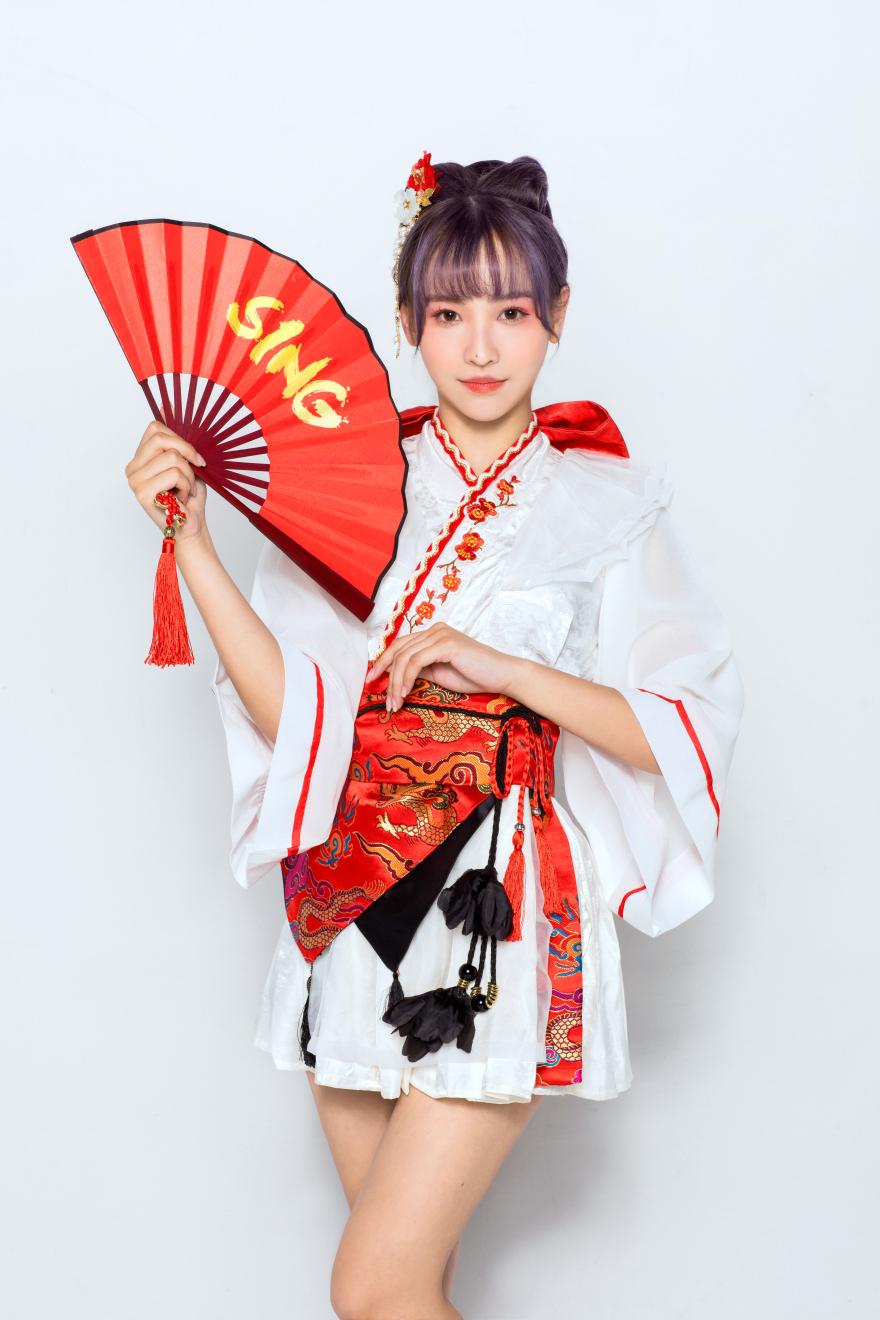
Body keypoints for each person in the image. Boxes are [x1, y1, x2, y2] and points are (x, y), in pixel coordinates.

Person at [123, 154, 744, 1320]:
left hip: (486, 914)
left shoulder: (608, 505)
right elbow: (294, 718)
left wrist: (512, 671)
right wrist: (193, 542)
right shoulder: (347, 486)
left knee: (371, 1288)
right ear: (408, 322)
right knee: (405, 1294)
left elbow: (676, 730)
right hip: (343, 897)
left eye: (511, 311)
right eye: (449, 313)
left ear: (557, 315)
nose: (480, 346)